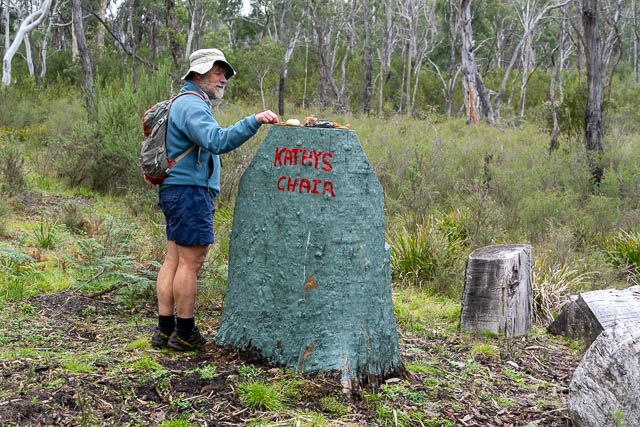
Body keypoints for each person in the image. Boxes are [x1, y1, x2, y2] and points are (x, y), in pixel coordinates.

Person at [151, 48, 278, 351]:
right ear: (199, 73)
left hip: (177, 190)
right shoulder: (192, 105)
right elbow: (216, 141)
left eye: (225, 73)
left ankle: (164, 330)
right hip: (190, 193)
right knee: (190, 263)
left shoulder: (183, 101)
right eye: (218, 72)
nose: (223, 79)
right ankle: (184, 333)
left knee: (174, 259)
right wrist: (254, 121)